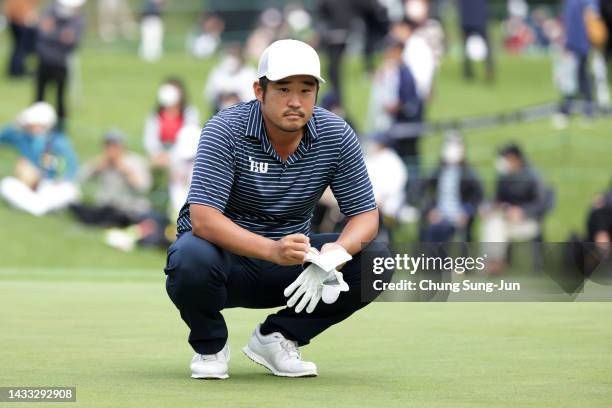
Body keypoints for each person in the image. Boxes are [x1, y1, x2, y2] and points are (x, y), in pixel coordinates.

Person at [164, 39, 392, 379]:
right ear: (259, 90)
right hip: (224, 263)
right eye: (283, 89)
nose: (296, 102)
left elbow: (365, 215)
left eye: (306, 90)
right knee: (189, 257)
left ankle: (279, 336)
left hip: (291, 264)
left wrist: (337, 252)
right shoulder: (225, 129)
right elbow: (203, 219)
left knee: (378, 258)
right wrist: (271, 249)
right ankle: (210, 345)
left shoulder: (336, 135)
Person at [480, 144, 551, 274]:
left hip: (529, 223)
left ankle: (494, 264)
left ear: (515, 158)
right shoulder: (503, 177)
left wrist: (522, 211)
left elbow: (542, 203)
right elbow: (497, 199)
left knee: (496, 225)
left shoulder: (533, 176)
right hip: (506, 221)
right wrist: (489, 208)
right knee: (493, 223)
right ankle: (494, 262)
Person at [0, 102, 79, 216]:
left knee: (66, 190)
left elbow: (71, 165)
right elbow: (2, 136)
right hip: (31, 187)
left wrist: (62, 178)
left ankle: (38, 206)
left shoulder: (58, 141)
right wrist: (14, 125)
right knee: (7, 184)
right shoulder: (22, 138)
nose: (32, 128)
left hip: (51, 185)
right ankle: (37, 207)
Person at [70, 129, 152, 227]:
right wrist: (95, 168)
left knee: (118, 216)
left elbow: (143, 188)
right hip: (107, 207)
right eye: (108, 146)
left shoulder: (135, 161)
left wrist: (126, 171)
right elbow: (80, 179)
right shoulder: (103, 162)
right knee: (77, 207)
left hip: (129, 209)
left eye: (114, 146)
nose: (110, 149)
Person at [420, 133, 483, 242]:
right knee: (433, 231)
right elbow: (423, 190)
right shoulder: (438, 171)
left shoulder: (468, 173)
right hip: (440, 215)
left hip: (459, 216)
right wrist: (431, 209)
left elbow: (478, 196)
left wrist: (466, 211)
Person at [35, 0, 86, 129]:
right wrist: (60, 35)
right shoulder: (49, 10)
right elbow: (43, 32)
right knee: (39, 96)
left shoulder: (78, 16)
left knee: (60, 97)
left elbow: (73, 39)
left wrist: (54, 32)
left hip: (61, 62)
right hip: (45, 60)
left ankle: (60, 127)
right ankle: (35, 124)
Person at [555, 0, 601, 125]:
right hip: (572, 45)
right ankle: (568, 109)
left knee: (582, 78)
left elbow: (594, 18)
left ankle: (587, 110)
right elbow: (568, 23)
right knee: (569, 78)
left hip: (582, 45)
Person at [143, 78, 200, 169]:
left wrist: (171, 156)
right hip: (159, 157)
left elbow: (190, 139)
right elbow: (150, 139)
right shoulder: (155, 114)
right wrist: (158, 154)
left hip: (183, 157)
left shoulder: (189, 113)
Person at [203, 44, 256, 113]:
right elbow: (209, 95)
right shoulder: (218, 71)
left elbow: (253, 99)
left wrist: (236, 97)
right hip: (220, 111)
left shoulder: (250, 73)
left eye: (234, 56)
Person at [458, 0, 495, 81]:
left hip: (467, 18)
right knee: (486, 45)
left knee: (466, 46)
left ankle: (468, 71)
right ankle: (489, 70)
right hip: (479, 17)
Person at [4, 0, 39, 78]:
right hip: (19, 22)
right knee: (20, 48)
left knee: (19, 48)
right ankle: (16, 71)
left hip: (17, 21)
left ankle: (16, 69)